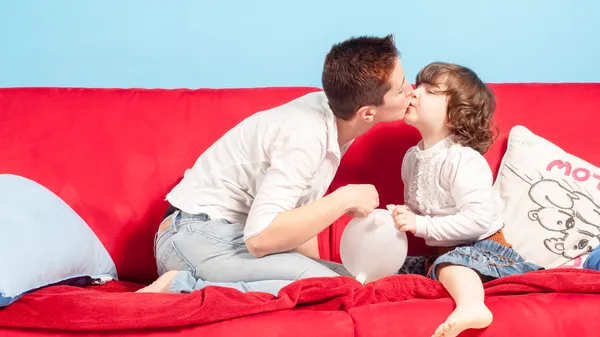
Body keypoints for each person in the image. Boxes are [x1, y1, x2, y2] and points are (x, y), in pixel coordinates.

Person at [137, 34, 414, 295]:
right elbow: (259, 239)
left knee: (350, 285)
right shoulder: (306, 136)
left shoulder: (337, 116)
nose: (410, 91)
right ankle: (181, 286)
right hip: (193, 237)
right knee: (332, 287)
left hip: (227, 236)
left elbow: (292, 216)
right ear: (367, 113)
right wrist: (345, 198)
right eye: (401, 89)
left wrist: (312, 273)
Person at [389, 62, 542, 337]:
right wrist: (400, 216)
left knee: (453, 263)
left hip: (485, 250)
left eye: (431, 91)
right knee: (396, 268)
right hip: (441, 254)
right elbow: (421, 207)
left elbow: (478, 219)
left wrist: (420, 225)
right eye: (418, 84)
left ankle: (472, 306)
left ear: (454, 116)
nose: (415, 92)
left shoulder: (462, 159)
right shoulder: (411, 159)